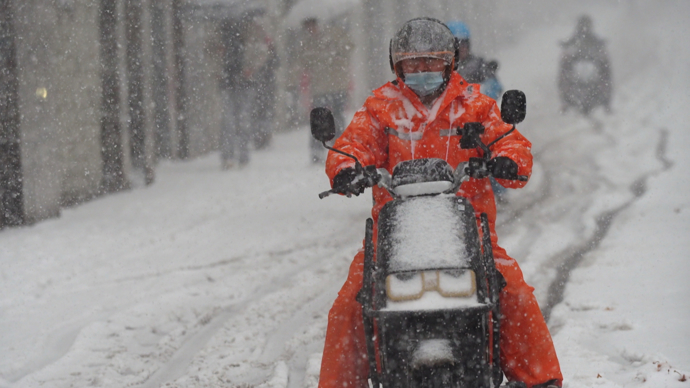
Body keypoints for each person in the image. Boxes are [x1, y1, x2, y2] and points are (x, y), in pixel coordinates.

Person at [319, 18, 562, 388]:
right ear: (397, 66)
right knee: (350, 304)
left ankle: (540, 381)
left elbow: (510, 142)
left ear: (448, 63)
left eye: (430, 62)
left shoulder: (475, 105)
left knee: (514, 291)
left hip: (470, 233)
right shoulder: (380, 107)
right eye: (412, 64)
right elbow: (352, 145)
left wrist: (507, 158)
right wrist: (345, 167)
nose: (421, 71)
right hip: (395, 237)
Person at [447, 20, 508, 201]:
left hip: (475, 121)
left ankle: (497, 188)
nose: (460, 49)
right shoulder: (438, 70)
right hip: (445, 123)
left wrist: (477, 98)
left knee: (489, 147)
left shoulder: (479, 64)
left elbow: (495, 86)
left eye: (463, 45)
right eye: (455, 46)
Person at [218, 11, 272, 169]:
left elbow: (262, 51)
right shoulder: (219, 29)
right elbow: (209, 51)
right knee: (228, 121)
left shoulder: (252, 28)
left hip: (245, 81)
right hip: (226, 81)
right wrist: (217, 62)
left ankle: (243, 156)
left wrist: (252, 68)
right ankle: (228, 156)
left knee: (243, 119)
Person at [299, 18, 354, 163]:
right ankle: (317, 151)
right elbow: (304, 62)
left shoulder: (336, 34)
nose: (311, 30)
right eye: (308, 27)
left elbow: (349, 48)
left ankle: (341, 149)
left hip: (337, 85)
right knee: (318, 118)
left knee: (338, 117)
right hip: (320, 87)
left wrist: (334, 50)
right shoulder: (308, 42)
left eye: (312, 26)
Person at [558, 15, 612, 114]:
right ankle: (565, 101)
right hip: (579, 61)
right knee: (564, 73)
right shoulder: (577, 37)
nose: (584, 27)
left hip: (590, 62)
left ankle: (606, 102)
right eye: (583, 25)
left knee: (605, 72)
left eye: (586, 25)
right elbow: (569, 43)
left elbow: (599, 44)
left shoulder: (590, 38)